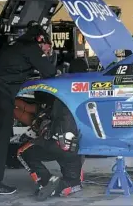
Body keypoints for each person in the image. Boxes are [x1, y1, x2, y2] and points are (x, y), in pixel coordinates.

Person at [0, 21, 57, 196]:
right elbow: (50, 72)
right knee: (0, 140)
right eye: (46, 46)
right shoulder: (32, 49)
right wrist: (46, 57)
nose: (46, 49)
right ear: (40, 40)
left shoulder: (13, 46)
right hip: (1, 95)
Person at [16, 59, 86, 201]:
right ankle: (71, 183)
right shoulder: (90, 91)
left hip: (57, 143)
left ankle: (47, 181)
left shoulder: (60, 89)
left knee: (22, 152)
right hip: (78, 149)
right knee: (72, 180)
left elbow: (29, 108)